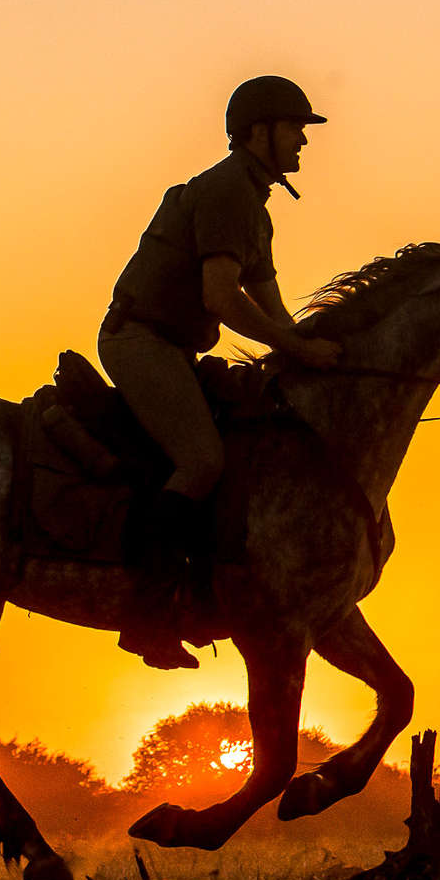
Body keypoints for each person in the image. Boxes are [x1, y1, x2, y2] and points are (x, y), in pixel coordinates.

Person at [100, 75, 341, 669]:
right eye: (295, 129)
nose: (303, 142)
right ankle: (148, 618)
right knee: (202, 460)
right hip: (140, 341)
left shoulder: (255, 207)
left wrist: (318, 347)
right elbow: (221, 298)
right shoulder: (229, 192)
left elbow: (274, 309)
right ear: (259, 133)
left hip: (173, 348)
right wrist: (298, 350)